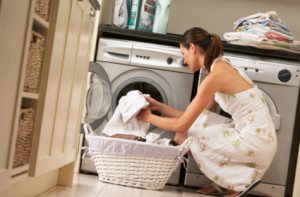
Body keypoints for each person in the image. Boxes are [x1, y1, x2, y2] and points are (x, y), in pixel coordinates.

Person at [137, 27, 277, 197]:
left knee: (184, 134)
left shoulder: (214, 78)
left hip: (255, 141)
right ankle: (228, 183)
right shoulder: (220, 66)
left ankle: (239, 183)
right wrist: (158, 106)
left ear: (193, 48)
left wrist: (147, 117)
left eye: (184, 53)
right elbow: (196, 117)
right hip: (261, 137)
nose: (185, 61)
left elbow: (182, 124)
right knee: (198, 124)